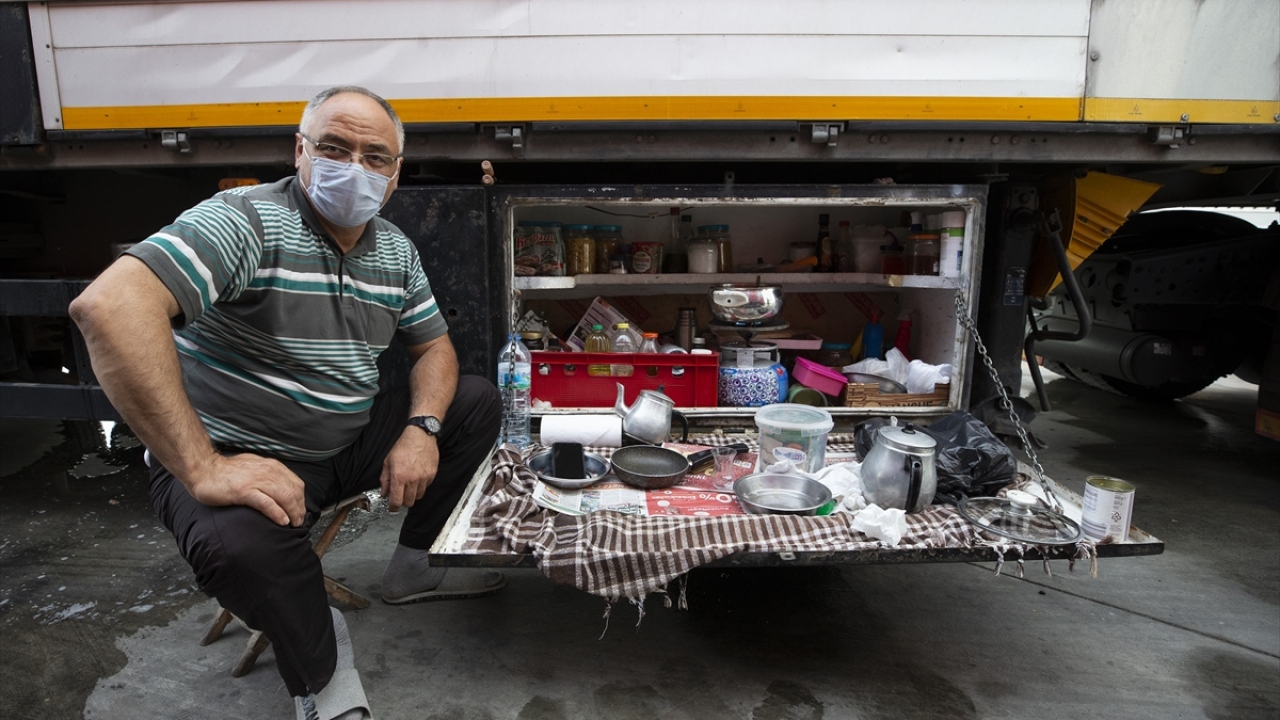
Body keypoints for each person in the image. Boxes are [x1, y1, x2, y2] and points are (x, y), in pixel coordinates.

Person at [70, 86, 503, 720]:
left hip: (342, 443)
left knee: (474, 401)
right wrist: (203, 468)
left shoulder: (393, 249)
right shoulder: (246, 220)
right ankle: (326, 680)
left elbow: (433, 349)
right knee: (238, 552)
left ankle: (413, 568)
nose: (354, 167)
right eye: (334, 147)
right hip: (236, 454)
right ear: (300, 152)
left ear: (394, 174)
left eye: (374, 156)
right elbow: (110, 307)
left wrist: (420, 430)